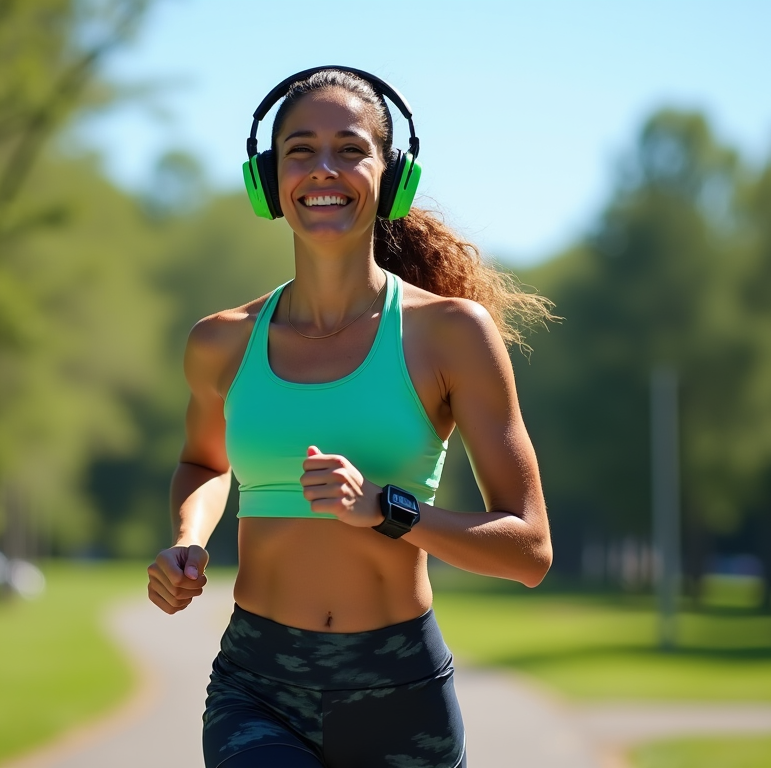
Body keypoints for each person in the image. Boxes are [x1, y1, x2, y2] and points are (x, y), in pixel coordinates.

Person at [147, 67, 554, 768]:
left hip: (400, 695)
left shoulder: (452, 334)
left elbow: (530, 550)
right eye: (300, 150)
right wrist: (188, 538)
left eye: (350, 148)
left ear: (391, 177)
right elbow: (205, 464)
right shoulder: (221, 341)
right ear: (269, 180)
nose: (323, 169)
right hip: (258, 687)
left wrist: (388, 511)